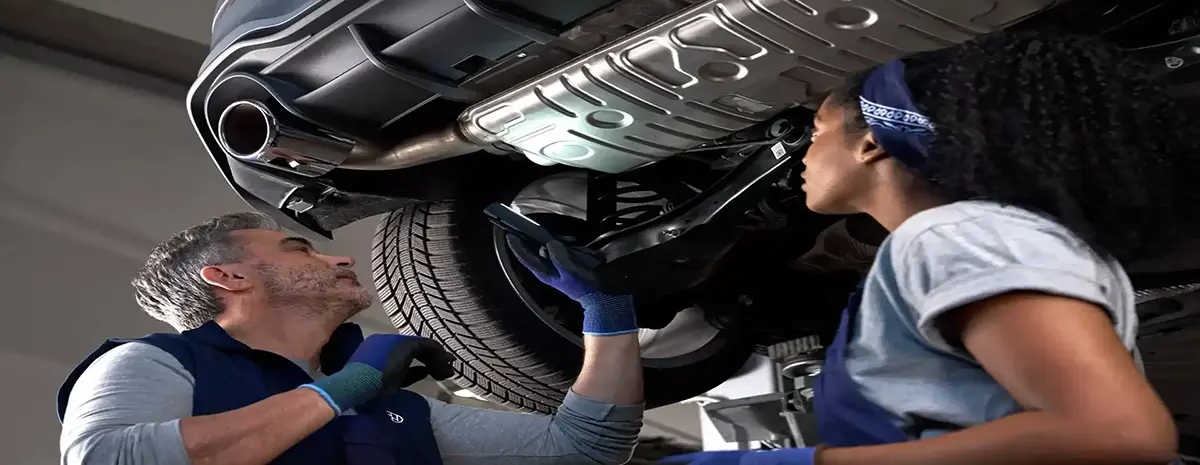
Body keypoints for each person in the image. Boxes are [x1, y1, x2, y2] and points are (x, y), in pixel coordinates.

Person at [664, 31, 1192, 464]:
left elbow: (1117, 435)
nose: (804, 153)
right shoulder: (972, 239)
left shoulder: (959, 237)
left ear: (871, 142)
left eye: (817, 130)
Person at [57, 212, 645, 465]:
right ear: (229, 277)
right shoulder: (156, 363)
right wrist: (348, 387)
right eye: (299, 249)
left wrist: (607, 312)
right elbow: (109, 458)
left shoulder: (385, 405)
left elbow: (583, 448)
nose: (338, 257)